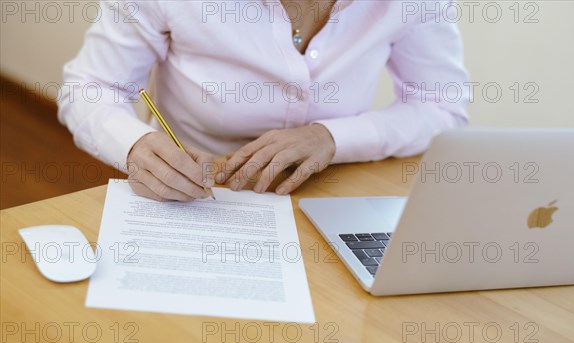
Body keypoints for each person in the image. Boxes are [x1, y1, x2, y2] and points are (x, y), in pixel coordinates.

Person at [58, 0, 469, 201]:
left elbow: (441, 105)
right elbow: (91, 87)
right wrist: (134, 144)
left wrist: (332, 137)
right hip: (199, 193)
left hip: (334, 191)